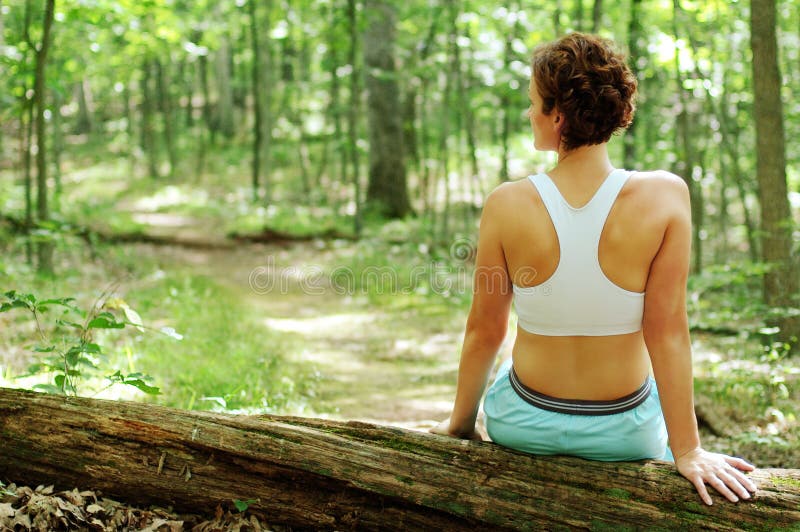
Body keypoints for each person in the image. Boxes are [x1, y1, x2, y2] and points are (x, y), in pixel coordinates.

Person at [432, 32, 756, 506]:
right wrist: (687, 451)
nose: (529, 114)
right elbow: (667, 331)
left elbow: (485, 329)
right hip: (625, 435)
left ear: (557, 116)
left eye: (533, 103)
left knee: (508, 364)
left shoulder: (505, 204)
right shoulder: (666, 195)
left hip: (522, 425)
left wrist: (460, 424)